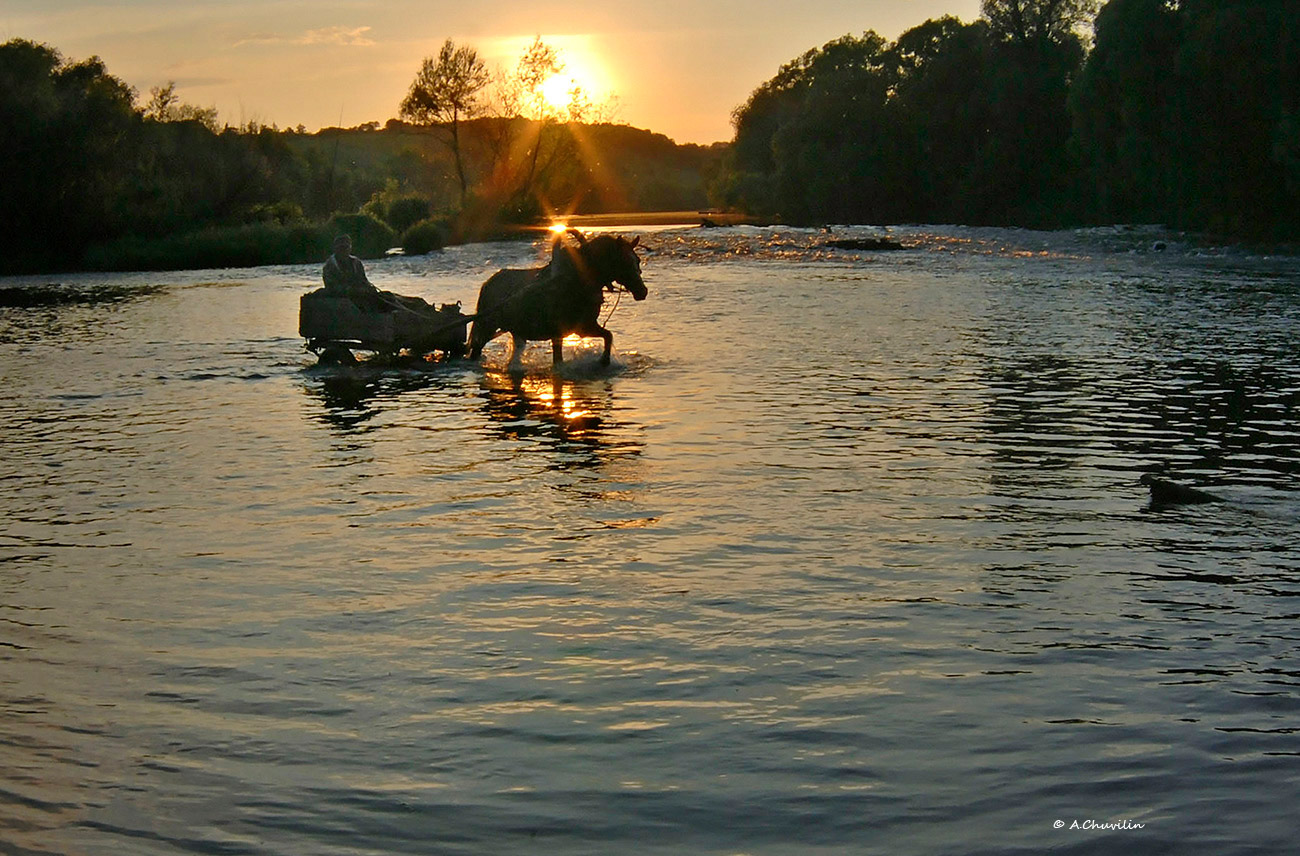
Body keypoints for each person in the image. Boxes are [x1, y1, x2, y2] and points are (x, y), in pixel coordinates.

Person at [322, 235, 385, 310]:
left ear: (350, 248)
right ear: (335, 249)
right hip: (339, 299)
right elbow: (331, 287)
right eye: (341, 247)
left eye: (346, 247)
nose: (343, 250)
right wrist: (352, 290)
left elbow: (363, 280)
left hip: (357, 295)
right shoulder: (330, 266)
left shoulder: (356, 262)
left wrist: (368, 288)